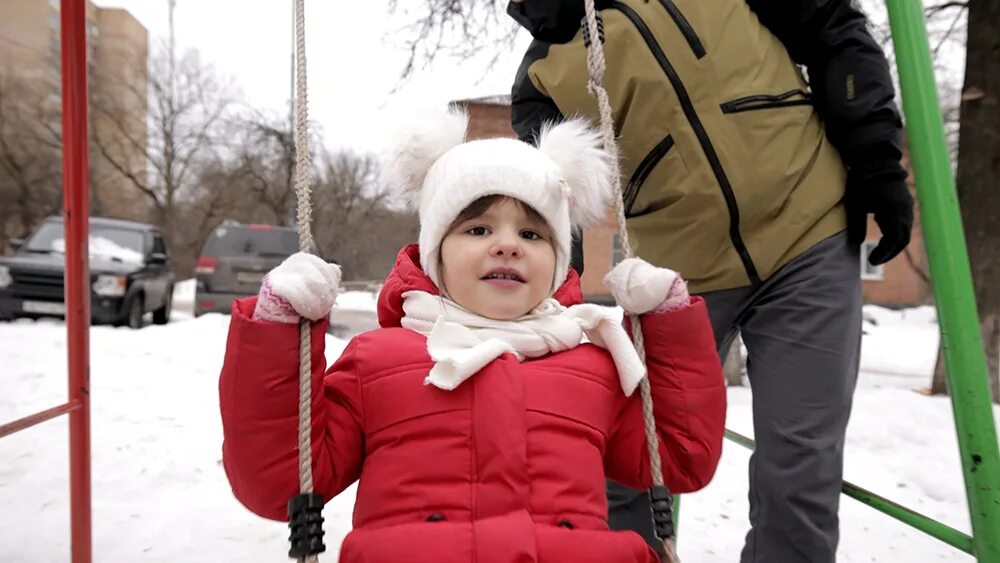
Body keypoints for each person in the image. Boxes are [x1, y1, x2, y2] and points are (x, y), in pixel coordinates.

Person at [218, 107, 726, 563]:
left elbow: (681, 459)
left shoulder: (592, 363)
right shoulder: (378, 359)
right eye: (478, 230)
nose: (508, 245)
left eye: (532, 234)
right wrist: (279, 330)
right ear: (436, 253)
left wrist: (669, 324)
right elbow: (281, 482)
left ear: (557, 261)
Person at [507, 1, 914, 562]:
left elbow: (834, 29)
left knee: (799, 465)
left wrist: (876, 160)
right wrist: (554, 286)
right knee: (630, 463)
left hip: (807, 235)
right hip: (673, 284)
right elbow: (556, 197)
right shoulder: (545, 73)